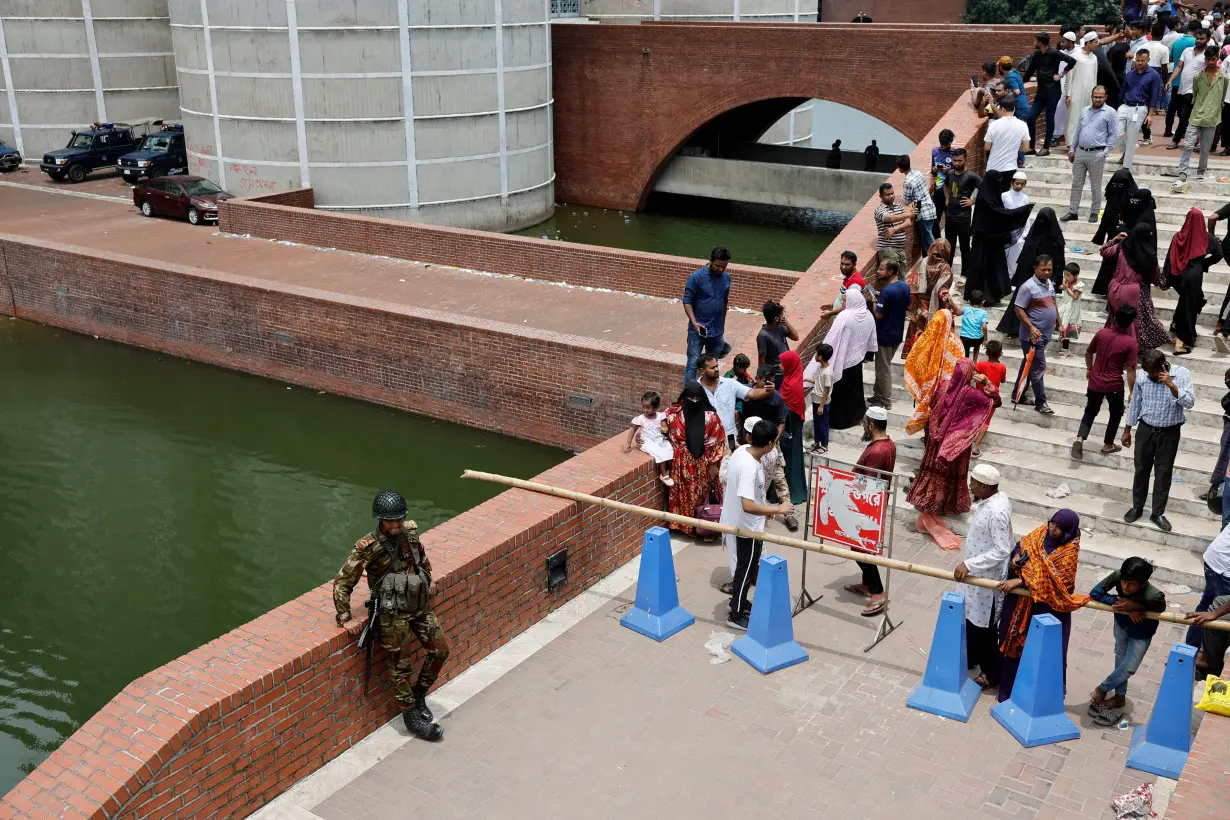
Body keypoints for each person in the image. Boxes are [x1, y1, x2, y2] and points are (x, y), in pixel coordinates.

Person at [334, 490, 450, 741]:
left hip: (418, 605)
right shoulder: (368, 546)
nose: (396, 524)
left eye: (399, 519)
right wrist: (345, 617)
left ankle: (419, 696)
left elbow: (421, 557)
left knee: (440, 650)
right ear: (380, 520)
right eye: (390, 521)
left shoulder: (409, 533)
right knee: (400, 666)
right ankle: (410, 717)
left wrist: (428, 577)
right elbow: (343, 582)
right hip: (391, 614)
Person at [996, 510, 1089, 702]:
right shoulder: (1041, 533)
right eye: (1052, 523)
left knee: (1037, 651)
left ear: (1068, 532)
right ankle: (1007, 690)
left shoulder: (1069, 553)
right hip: (1018, 604)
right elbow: (1022, 545)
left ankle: (1033, 696)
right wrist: (1016, 556)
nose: (1052, 528)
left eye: (1058, 527)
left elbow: (1059, 585)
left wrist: (1021, 581)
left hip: (1044, 610)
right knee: (1010, 638)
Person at [723, 418, 793, 630]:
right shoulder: (749, 468)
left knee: (746, 567)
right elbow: (748, 505)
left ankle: (740, 602)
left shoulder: (742, 450)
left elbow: (754, 497)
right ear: (770, 444)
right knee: (746, 569)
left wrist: (765, 509)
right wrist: (776, 509)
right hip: (747, 527)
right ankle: (735, 615)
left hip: (745, 522)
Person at [907, 358, 1000, 516]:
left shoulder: (943, 386)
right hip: (954, 443)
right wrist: (986, 383)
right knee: (949, 472)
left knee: (931, 470)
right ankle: (943, 505)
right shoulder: (971, 394)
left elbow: (932, 404)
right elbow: (996, 401)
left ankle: (925, 499)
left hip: (934, 440)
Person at [953, 463, 1013, 689]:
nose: (970, 486)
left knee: (984, 627)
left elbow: (1002, 549)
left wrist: (970, 564)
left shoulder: (996, 511)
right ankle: (972, 657)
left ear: (986, 486)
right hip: (975, 575)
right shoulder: (990, 502)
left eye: (974, 484)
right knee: (970, 619)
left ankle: (990, 671)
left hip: (985, 579)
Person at [1123, 349, 1195, 532]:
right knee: (1141, 470)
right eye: (1147, 372)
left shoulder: (1181, 374)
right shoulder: (1142, 376)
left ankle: (1158, 513)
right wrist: (1127, 429)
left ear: (1163, 366)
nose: (1149, 375)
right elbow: (1136, 403)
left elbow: (1190, 402)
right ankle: (1137, 506)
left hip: (1169, 433)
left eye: (1152, 372)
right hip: (1146, 430)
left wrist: (1172, 386)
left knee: (1163, 473)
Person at [1088, 557, 1166, 723]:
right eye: (1124, 582)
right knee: (1120, 657)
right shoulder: (1118, 575)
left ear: (1142, 584)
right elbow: (1095, 593)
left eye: (1131, 584)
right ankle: (1119, 697)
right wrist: (1120, 603)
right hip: (1122, 624)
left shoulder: (1154, 596)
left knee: (1129, 667)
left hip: (1142, 630)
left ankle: (1103, 688)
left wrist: (1136, 606)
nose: (1125, 587)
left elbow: (1160, 609)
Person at [842, 406, 897, 618]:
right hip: (874, 504)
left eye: (865, 423)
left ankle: (877, 592)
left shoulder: (876, 452)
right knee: (865, 546)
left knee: (860, 548)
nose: (864, 427)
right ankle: (867, 584)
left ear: (872, 425)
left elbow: (868, 484)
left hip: (866, 507)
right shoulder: (888, 444)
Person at [1073, 304, 1139, 460]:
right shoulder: (1130, 343)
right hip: (1114, 384)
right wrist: (1132, 391)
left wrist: (1089, 368)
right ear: (1131, 323)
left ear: (1115, 318)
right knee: (1116, 413)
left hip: (1095, 381)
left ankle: (1079, 439)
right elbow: (1131, 370)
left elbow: (1089, 352)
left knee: (1090, 410)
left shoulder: (1102, 333)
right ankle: (1108, 444)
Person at [663, 382, 726, 535]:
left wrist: (713, 466)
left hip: (703, 464)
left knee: (701, 496)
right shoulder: (675, 415)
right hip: (681, 464)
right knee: (683, 494)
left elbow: (718, 440)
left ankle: (704, 527)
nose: (695, 401)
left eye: (697, 398)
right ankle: (685, 527)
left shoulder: (711, 417)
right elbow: (660, 425)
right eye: (690, 398)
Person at [964, 170, 1034, 307]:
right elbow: (999, 214)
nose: (999, 184)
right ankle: (981, 297)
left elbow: (999, 214)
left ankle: (992, 296)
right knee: (983, 270)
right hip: (984, 242)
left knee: (992, 270)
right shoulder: (985, 199)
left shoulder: (993, 197)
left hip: (993, 242)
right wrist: (1020, 212)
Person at [904, 285, 964, 436]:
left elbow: (915, 360)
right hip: (946, 390)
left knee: (931, 411)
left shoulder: (927, 339)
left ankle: (929, 436)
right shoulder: (956, 343)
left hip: (937, 388)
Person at [1102, 217, 1169, 352]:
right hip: (1133, 292)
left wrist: (1114, 239)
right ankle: (1130, 352)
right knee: (1134, 325)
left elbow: (1104, 251)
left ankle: (1111, 346)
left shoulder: (1122, 246)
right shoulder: (1148, 255)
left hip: (1114, 289)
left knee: (1116, 321)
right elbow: (1156, 276)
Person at [1165, 44, 1227, 186]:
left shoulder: (1224, 78)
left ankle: (1201, 171)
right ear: (1204, 60)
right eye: (1208, 59)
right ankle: (1183, 172)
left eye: (1213, 59)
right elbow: (1195, 96)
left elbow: (1222, 99)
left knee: (1205, 148)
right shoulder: (1198, 77)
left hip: (1212, 118)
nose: (1210, 62)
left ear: (1217, 59)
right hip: (1196, 115)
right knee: (1187, 145)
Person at [1166, 207, 1223, 354]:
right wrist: (1204, 264)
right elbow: (1218, 254)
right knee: (1189, 306)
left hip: (1177, 274)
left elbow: (1169, 258)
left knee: (1187, 301)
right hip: (1194, 274)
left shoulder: (1178, 236)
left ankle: (1175, 324)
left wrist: (1168, 276)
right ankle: (1181, 341)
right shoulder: (1206, 237)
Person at [823, 283, 879, 430]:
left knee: (841, 394)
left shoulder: (845, 316)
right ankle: (856, 417)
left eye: (844, 300)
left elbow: (832, 338)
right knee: (855, 391)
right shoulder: (867, 314)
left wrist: (823, 355)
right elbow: (871, 336)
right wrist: (868, 353)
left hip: (843, 361)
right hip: (857, 360)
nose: (843, 303)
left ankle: (840, 422)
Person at [1063, 86, 1118, 224]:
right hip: (1081, 152)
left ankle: (1094, 212)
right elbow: (1078, 131)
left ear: (1105, 97)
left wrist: (1105, 153)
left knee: (1095, 185)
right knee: (1076, 183)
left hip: (1097, 153)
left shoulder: (1110, 112)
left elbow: (1113, 134)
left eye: (1100, 97)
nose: (1098, 99)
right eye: (1095, 96)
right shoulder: (1084, 111)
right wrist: (1072, 149)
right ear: (1091, 96)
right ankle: (1073, 211)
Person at [1013, 254, 1059, 416]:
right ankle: (1041, 402)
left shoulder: (1049, 284)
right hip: (1032, 337)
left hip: (1045, 334)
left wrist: (1059, 322)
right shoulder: (1028, 287)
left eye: (1049, 269)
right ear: (1035, 269)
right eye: (1043, 269)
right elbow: (1019, 309)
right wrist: (1031, 327)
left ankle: (1016, 394)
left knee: (1029, 362)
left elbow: (1053, 302)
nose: (1047, 272)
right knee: (1038, 367)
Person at [697, 353, 770, 452]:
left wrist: (769, 390)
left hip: (730, 437)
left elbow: (752, 393)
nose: (717, 369)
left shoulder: (729, 384)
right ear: (702, 371)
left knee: (729, 462)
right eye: (712, 368)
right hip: (706, 441)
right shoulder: (695, 390)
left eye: (717, 366)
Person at [1024, 31, 1078, 155]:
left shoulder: (1054, 53)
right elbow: (1029, 71)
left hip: (1053, 92)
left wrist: (1061, 74)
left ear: (1040, 42)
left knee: (1049, 119)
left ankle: (1046, 147)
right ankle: (1032, 147)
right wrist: (1020, 83)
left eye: (1035, 41)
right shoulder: (1037, 54)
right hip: (1041, 92)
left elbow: (1072, 61)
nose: (1034, 43)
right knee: (1031, 118)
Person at [682, 247, 731, 383]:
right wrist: (694, 322)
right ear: (710, 261)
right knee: (692, 364)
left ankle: (711, 393)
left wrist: (723, 324)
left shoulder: (726, 278)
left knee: (713, 365)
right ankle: (689, 397)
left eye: (724, 266)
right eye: (718, 266)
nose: (721, 269)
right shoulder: (696, 278)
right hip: (698, 331)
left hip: (716, 331)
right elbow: (687, 301)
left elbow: (724, 302)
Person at [1185, 522, 1230, 659]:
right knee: (1216, 619)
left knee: (1204, 610)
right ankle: (1201, 661)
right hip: (1224, 567)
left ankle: (1187, 655)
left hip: (1215, 559)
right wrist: (1216, 612)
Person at [871, 259, 911, 408]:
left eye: (881, 269)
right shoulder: (904, 286)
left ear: (890, 272)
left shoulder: (887, 291)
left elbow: (878, 315)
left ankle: (886, 400)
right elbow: (909, 305)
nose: (878, 271)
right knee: (881, 366)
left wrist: (875, 300)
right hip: (897, 333)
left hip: (884, 335)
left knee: (884, 368)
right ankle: (877, 394)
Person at [904, 238, 954, 355]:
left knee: (918, 332)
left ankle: (914, 363)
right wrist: (950, 302)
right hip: (936, 308)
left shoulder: (922, 263)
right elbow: (943, 289)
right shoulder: (944, 267)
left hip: (920, 307)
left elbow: (911, 283)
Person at [1165, 24, 1210, 148]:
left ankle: (1176, 140)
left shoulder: (1209, 54)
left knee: (1184, 115)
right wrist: (1170, 80)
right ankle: (1195, 140)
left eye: (1202, 39)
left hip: (1196, 91)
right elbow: (1179, 67)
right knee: (1185, 115)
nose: (1199, 41)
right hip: (1182, 88)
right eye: (1198, 38)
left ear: (1208, 39)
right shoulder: (1187, 51)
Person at [1117, 48, 1163, 170]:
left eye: (1143, 60)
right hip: (1125, 105)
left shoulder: (1154, 75)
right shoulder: (1130, 74)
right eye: (1138, 60)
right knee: (1117, 133)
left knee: (1132, 137)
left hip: (1140, 107)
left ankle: (1126, 167)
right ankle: (1126, 152)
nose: (1140, 63)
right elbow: (1123, 91)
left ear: (1148, 60)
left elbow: (1154, 96)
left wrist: (1150, 115)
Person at [777, 350, 809, 509]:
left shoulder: (792, 384)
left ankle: (793, 491)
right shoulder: (790, 378)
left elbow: (790, 408)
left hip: (791, 426)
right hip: (790, 423)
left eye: (782, 363)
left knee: (791, 458)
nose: (780, 365)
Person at [940, 149, 981, 273]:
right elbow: (945, 185)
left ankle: (965, 273)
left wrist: (972, 201)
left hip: (964, 217)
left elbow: (985, 189)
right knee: (948, 247)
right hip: (950, 216)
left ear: (965, 160)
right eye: (954, 160)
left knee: (964, 247)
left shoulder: (971, 176)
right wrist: (947, 197)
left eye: (959, 160)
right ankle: (947, 271)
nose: (956, 163)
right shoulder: (950, 173)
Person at [624, 391, 674, 486]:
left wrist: (664, 428)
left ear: (655, 407)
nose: (645, 410)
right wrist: (628, 444)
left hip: (659, 440)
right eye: (644, 407)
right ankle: (663, 474)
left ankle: (669, 470)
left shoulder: (660, 416)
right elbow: (632, 431)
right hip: (647, 441)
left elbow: (664, 426)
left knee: (669, 449)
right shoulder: (641, 418)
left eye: (648, 407)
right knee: (659, 452)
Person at [1163, 21, 1200, 140]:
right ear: (1197, 31)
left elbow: (1171, 58)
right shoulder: (1195, 43)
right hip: (1189, 82)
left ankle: (1168, 130)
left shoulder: (1177, 42)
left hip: (1176, 80)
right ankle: (1183, 132)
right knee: (1185, 109)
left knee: (1173, 106)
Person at [1064, 33, 1103, 142]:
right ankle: (1071, 142)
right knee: (1074, 117)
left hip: (1089, 93)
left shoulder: (1094, 58)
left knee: (1088, 117)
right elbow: (1069, 76)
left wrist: (1095, 93)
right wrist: (1068, 94)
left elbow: (1094, 76)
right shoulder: (1075, 56)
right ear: (1088, 42)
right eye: (1095, 42)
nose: (1097, 45)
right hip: (1076, 91)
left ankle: (1085, 140)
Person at [973, 340, 1007, 457]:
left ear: (986, 352)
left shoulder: (980, 364)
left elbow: (974, 374)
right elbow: (1003, 380)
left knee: (975, 417)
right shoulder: (1002, 367)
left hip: (979, 396)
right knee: (986, 422)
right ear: (1001, 353)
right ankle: (976, 447)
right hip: (992, 399)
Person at [898, 154, 938, 252]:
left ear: (900, 169)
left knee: (929, 242)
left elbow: (907, 200)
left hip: (923, 214)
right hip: (931, 209)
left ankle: (935, 262)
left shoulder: (908, 182)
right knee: (928, 238)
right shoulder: (918, 173)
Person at [984, 97, 1030, 176]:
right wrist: (1014, 147)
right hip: (1011, 168)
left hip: (993, 167)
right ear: (1014, 109)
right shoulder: (1023, 125)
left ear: (1003, 109)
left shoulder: (993, 125)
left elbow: (987, 147)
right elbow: (1026, 148)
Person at [1092, 168, 1137, 248]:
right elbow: (1107, 214)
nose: (1117, 186)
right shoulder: (1112, 194)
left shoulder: (1134, 199)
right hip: (1112, 230)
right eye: (1115, 184)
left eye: (1121, 184)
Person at [874, 182, 914, 271]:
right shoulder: (879, 210)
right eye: (887, 194)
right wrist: (909, 214)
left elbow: (908, 222)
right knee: (892, 279)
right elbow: (890, 218)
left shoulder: (899, 206)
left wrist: (894, 229)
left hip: (900, 249)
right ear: (881, 196)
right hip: (888, 250)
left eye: (892, 193)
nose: (891, 196)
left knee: (902, 279)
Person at [756, 299, 799, 374]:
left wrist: (787, 323)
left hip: (788, 369)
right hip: (777, 373)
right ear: (776, 318)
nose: (783, 316)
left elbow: (795, 337)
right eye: (781, 314)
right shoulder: (763, 336)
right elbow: (761, 360)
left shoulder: (780, 326)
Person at [808, 343, 834, 455]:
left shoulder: (827, 373)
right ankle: (817, 442)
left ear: (820, 357)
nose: (815, 355)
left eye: (816, 353)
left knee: (823, 423)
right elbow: (819, 382)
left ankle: (824, 445)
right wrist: (808, 380)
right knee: (817, 423)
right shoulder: (821, 368)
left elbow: (826, 390)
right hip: (816, 400)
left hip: (821, 402)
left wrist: (822, 406)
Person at [1002, 171, 1030, 274]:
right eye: (1017, 183)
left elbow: (1026, 216)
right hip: (1006, 230)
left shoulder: (1025, 198)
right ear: (1012, 183)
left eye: (1022, 184)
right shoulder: (1004, 195)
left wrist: (1025, 233)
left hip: (1019, 232)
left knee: (1015, 257)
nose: (1019, 186)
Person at [1056, 263, 1084, 355]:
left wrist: (1067, 288)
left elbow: (1075, 297)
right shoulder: (1068, 282)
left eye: (1068, 275)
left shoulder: (1079, 285)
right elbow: (1062, 288)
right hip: (1065, 306)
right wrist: (1062, 286)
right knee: (1061, 325)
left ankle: (1065, 349)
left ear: (1075, 276)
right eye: (1065, 275)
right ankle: (1062, 345)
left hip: (1072, 309)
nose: (1066, 277)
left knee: (1067, 329)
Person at [959, 290, 989, 361]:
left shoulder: (965, 309)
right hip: (976, 339)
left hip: (964, 337)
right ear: (983, 302)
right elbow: (984, 326)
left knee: (965, 350)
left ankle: (965, 362)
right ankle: (974, 361)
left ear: (969, 301)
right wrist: (985, 339)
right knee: (978, 343)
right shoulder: (984, 313)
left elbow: (957, 312)